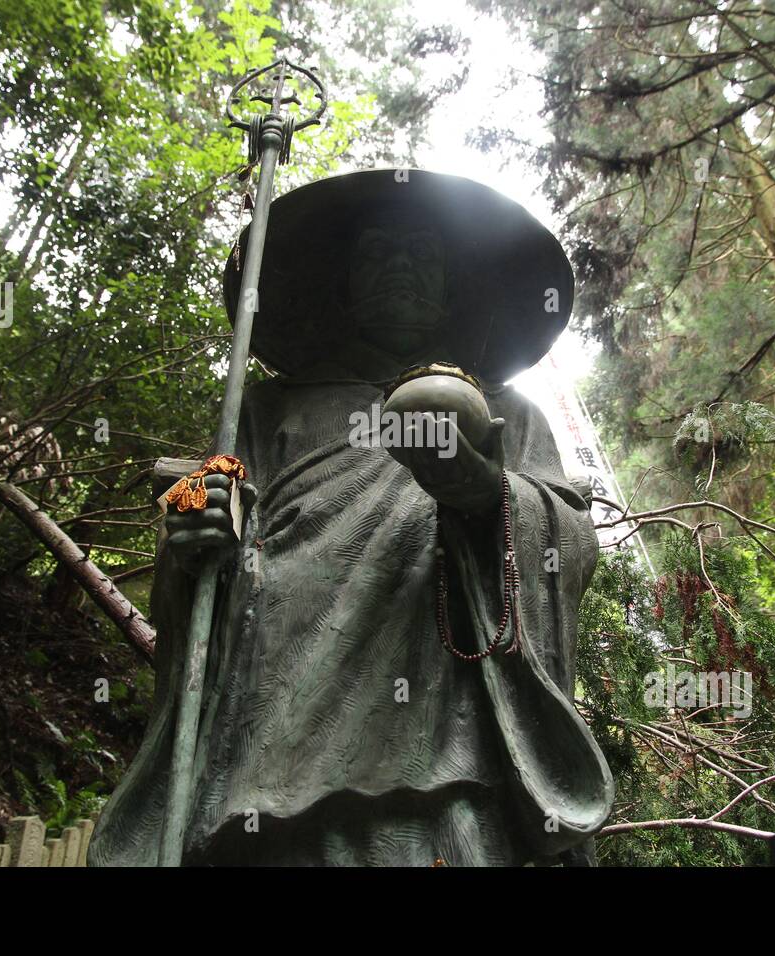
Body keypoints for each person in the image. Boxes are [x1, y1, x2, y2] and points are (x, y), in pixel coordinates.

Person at [88, 169, 613, 866]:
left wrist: (485, 495)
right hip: (281, 720)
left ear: (450, 286)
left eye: (422, 253)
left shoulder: (506, 414)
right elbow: (199, 509)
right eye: (376, 251)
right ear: (343, 283)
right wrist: (195, 529)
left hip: (453, 732)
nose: (400, 265)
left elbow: (570, 544)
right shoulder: (268, 408)